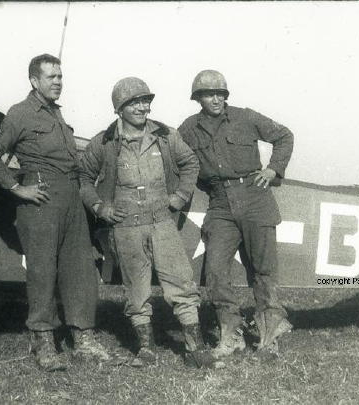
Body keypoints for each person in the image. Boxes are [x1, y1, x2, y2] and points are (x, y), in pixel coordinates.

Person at [0, 54, 111, 372]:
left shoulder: (57, 114)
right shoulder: (20, 113)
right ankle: (43, 343)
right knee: (42, 272)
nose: (58, 82)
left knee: (80, 269)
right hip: (41, 200)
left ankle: (84, 341)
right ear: (34, 80)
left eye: (60, 76)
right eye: (51, 77)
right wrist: (17, 187)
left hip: (71, 199)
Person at [80, 77, 220, 368]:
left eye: (145, 101)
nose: (142, 107)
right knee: (136, 290)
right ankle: (146, 349)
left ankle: (195, 348)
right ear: (119, 108)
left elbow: (190, 163)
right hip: (125, 227)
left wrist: (180, 196)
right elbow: (83, 178)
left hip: (162, 222)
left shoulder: (166, 136)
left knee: (181, 283)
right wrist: (99, 207)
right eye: (134, 103)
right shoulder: (104, 141)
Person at [178, 70, 294, 357]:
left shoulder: (245, 117)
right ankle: (231, 333)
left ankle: (269, 336)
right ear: (198, 98)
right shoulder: (188, 129)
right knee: (215, 270)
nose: (216, 99)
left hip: (255, 197)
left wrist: (273, 169)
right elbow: (175, 159)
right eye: (209, 94)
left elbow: (284, 135)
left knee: (263, 270)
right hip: (219, 203)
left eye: (220, 93)